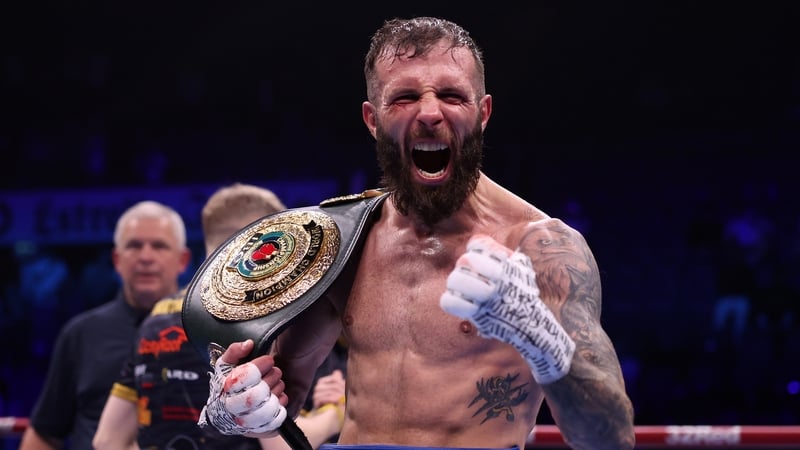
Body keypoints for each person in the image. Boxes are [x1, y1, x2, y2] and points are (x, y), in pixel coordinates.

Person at [198, 17, 635, 450]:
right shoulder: (344, 241)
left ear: (482, 113)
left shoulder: (541, 249)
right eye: (405, 97)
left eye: (451, 95)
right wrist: (236, 402)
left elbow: (609, 439)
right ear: (372, 119)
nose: (429, 112)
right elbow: (277, 396)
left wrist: (540, 337)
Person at [92, 183, 346, 450]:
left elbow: (107, 441)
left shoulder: (155, 320)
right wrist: (336, 413)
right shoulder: (253, 325)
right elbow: (278, 445)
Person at [21, 200, 192, 450]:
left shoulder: (204, 334)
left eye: (159, 246)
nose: (146, 257)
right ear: (116, 259)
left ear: (183, 260)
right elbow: (45, 432)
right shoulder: (81, 334)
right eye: (134, 245)